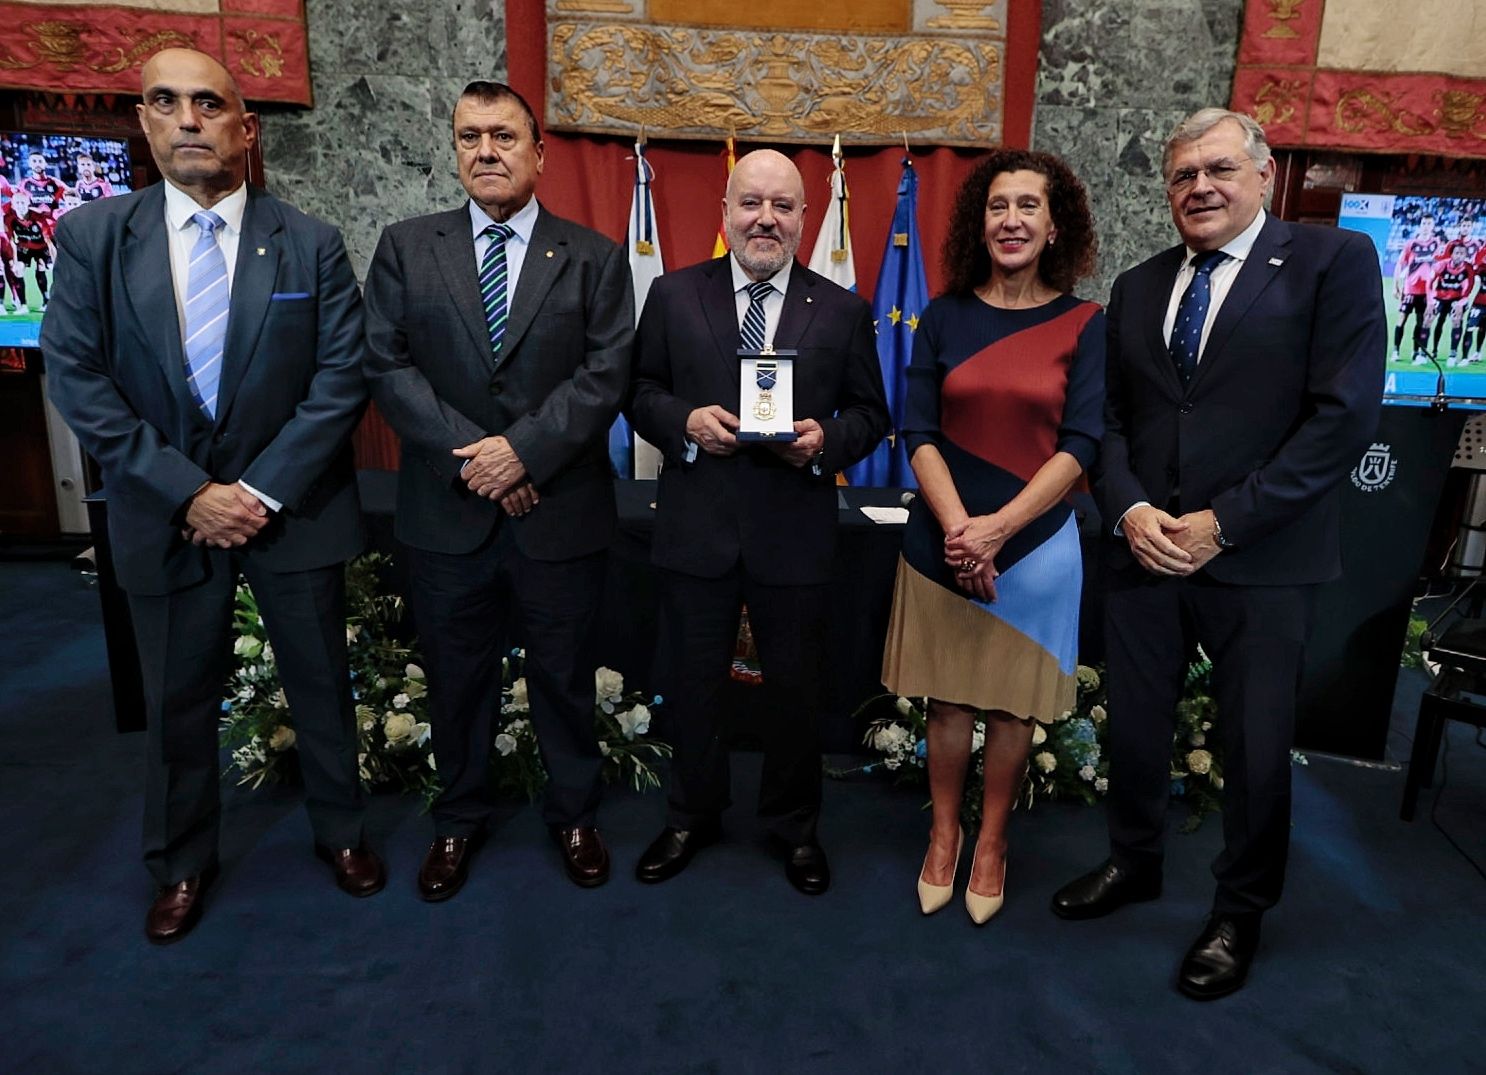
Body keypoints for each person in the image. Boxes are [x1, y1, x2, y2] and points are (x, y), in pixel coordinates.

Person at [40, 48, 381, 945]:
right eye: (166, 102)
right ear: (144, 122)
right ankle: (182, 863)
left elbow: (342, 378)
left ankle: (342, 835)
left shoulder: (309, 240)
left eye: (207, 103)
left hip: (292, 512)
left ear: (245, 126)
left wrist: (257, 490)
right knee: (176, 701)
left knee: (321, 687)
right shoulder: (92, 238)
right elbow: (77, 379)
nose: (188, 118)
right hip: (164, 515)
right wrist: (191, 492)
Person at [1051, 107, 1384, 999]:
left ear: (1263, 175)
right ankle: (1134, 862)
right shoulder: (1138, 284)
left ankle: (1239, 910)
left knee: (1255, 744)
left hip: (1261, 559)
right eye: (1182, 176)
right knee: (1135, 725)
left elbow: (1340, 419)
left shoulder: (1333, 264)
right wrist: (1126, 510)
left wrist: (1222, 522)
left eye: (1218, 170)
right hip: (1146, 552)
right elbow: (1112, 420)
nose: (1199, 187)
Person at [363, 81, 633, 898]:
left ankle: (575, 814)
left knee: (563, 674)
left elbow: (605, 374)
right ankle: (458, 821)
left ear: (538, 152)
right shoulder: (407, 246)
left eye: (504, 136)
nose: (486, 150)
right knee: (456, 676)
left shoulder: (593, 256)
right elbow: (385, 363)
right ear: (454, 150)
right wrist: (476, 461)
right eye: (469, 136)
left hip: (560, 513)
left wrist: (520, 453)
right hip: (446, 514)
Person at [626, 149, 889, 895]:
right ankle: (690, 815)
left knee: (797, 694)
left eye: (782, 205)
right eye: (751, 203)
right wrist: (685, 420)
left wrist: (825, 442)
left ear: (807, 218)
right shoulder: (675, 297)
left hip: (794, 532)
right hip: (695, 528)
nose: (765, 218)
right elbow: (639, 392)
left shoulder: (842, 308)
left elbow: (872, 414)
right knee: (693, 685)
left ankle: (793, 826)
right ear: (726, 211)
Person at [880, 150, 1103, 924]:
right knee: (947, 705)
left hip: (1036, 547)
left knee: (1011, 711)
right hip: (942, 539)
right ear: (980, 220)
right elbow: (918, 427)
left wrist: (998, 532)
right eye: (997, 205)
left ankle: (993, 843)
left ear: (1054, 226)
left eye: (1028, 206)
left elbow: (1083, 443)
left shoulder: (1085, 323)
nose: (1011, 219)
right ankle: (943, 835)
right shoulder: (942, 316)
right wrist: (959, 532)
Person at [1393, 214, 1439, 363]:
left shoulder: (1437, 244)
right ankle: (1395, 350)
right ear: (1420, 225)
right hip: (1410, 289)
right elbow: (1400, 264)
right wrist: (1396, 286)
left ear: (1433, 226)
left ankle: (1416, 351)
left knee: (1421, 322)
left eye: (1429, 223)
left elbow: (1440, 266)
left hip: (1426, 292)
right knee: (1402, 318)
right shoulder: (1411, 244)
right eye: (1424, 223)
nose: (1426, 226)